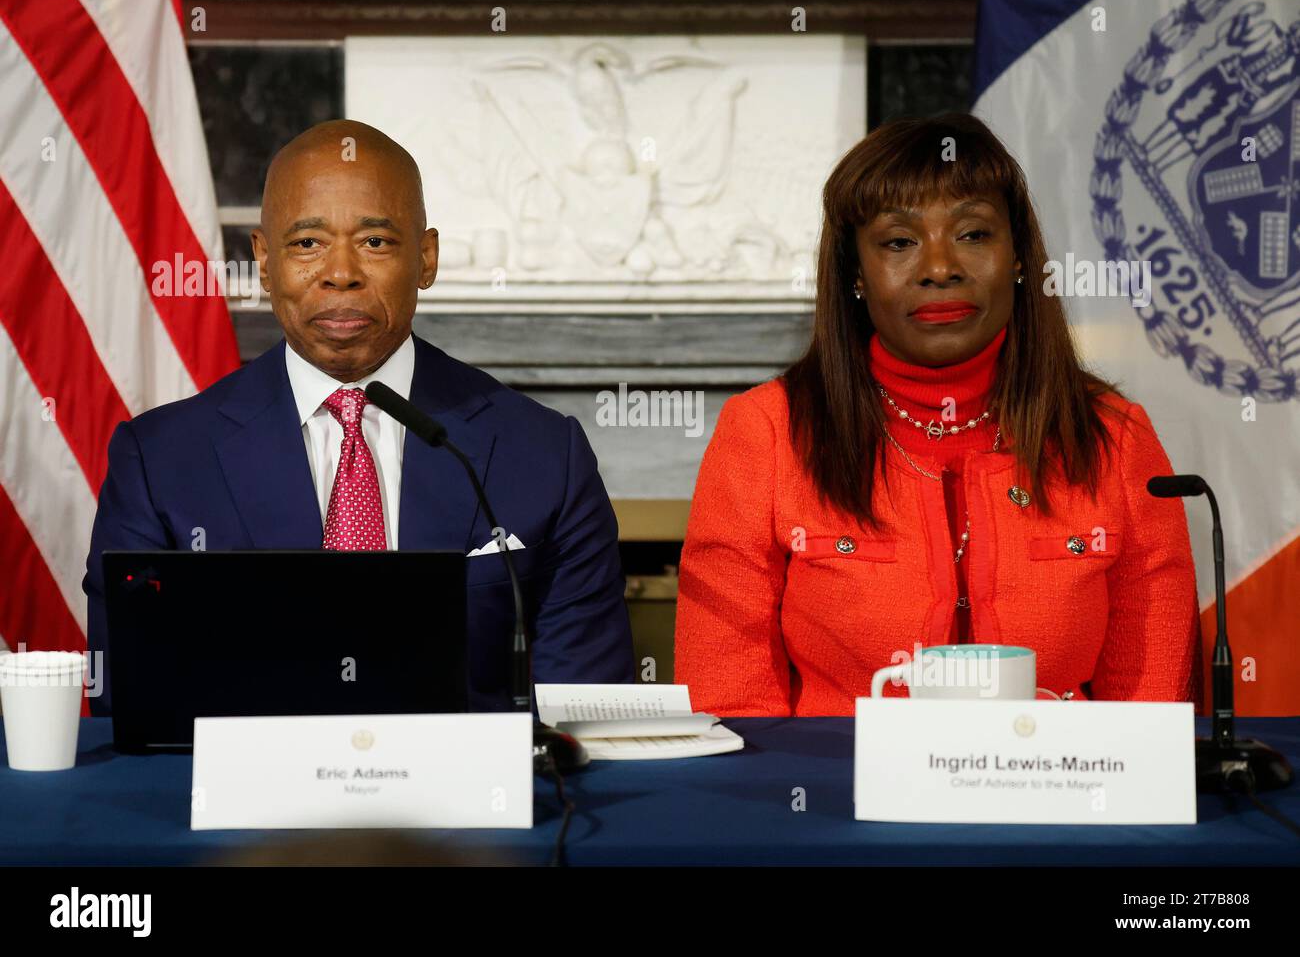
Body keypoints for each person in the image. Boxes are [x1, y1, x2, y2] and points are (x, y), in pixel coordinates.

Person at [84, 120, 633, 714]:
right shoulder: (159, 459)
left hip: (470, 802)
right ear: (264, 262)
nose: (340, 272)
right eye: (306, 243)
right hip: (246, 801)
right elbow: (133, 699)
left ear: (426, 259)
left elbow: (583, 707)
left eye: (375, 242)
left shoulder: (547, 454)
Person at [675, 113, 1202, 716]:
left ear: (1020, 258)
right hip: (833, 799)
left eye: (974, 234)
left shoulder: (1115, 437)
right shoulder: (767, 433)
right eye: (899, 241)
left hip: (1057, 798)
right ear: (854, 272)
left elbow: (1149, 718)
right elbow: (728, 708)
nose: (939, 267)